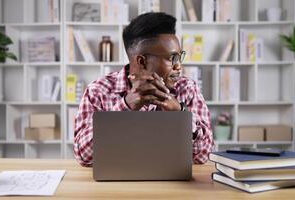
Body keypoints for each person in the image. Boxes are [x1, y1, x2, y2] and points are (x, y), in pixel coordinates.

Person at [74, 12, 214, 167]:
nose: (178, 66)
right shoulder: (98, 91)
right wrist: (124, 107)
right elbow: (83, 156)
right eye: (171, 58)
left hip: (172, 188)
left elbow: (204, 156)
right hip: (114, 189)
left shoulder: (186, 89)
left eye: (179, 57)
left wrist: (181, 114)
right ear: (142, 61)